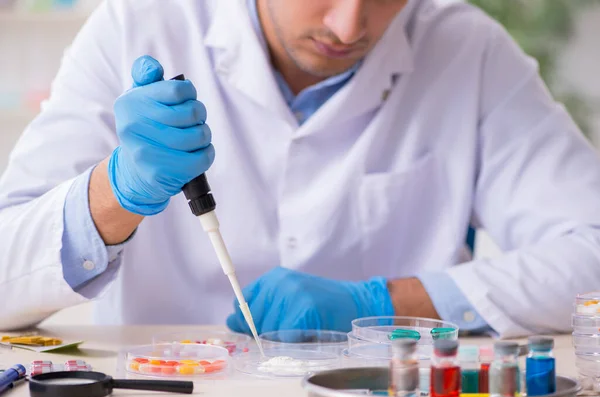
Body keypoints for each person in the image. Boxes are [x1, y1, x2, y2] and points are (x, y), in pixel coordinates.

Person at [0, 0, 599, 338]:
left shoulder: (470, 50)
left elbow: (592, 250)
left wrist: (386, 304)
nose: (348, 26)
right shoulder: (135, 26)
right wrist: (116, 192)